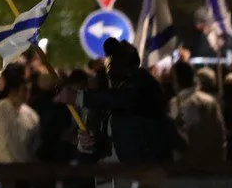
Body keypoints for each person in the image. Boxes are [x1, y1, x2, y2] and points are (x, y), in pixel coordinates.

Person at [55, 37, 183, 163]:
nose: (112, 64)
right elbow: (95, 146)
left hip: (143, 173)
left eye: (118, 58)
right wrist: (86, 145)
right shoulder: (106, 95)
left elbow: (125, 98)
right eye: (111, 58)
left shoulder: (143, 84)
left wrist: (79, 97)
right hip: (110, 177)